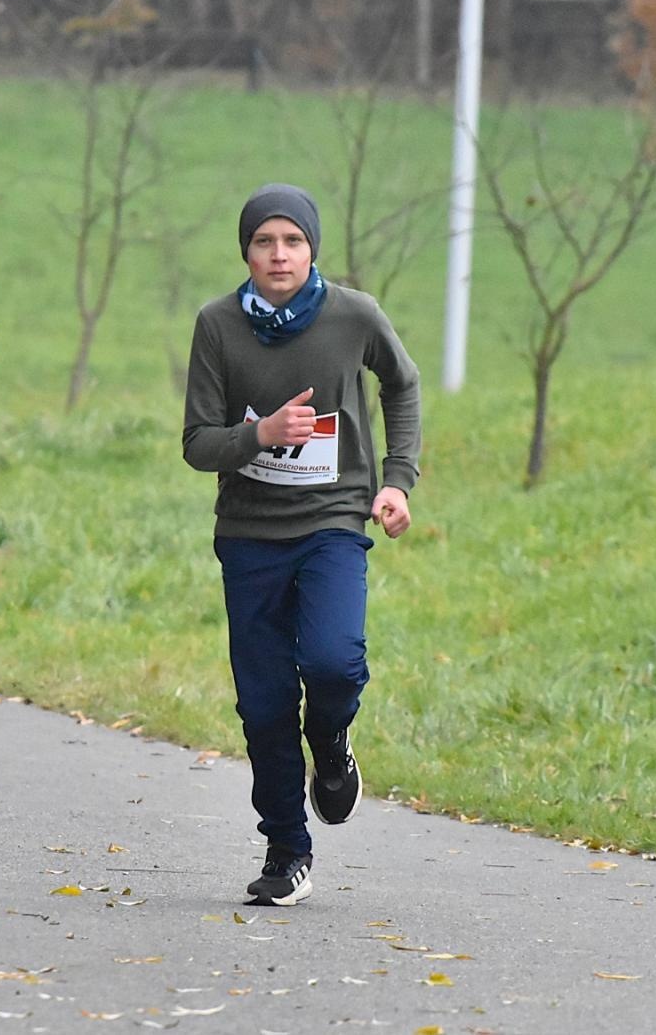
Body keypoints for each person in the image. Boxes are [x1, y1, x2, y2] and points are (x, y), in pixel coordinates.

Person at [182, 183, 421, 906]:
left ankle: (333, 742)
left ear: (311, 248)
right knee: (262, 705)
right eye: (264, 241)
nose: (278, 254)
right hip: (250, 533)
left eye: (292, 240)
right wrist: (261, 434)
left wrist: (397, 481)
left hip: (334, 522)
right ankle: (287, 847)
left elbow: (402, 386)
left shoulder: (354, 315)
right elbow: (197, 443)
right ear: (246, 252)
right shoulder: (218, 325)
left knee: (333, 661)